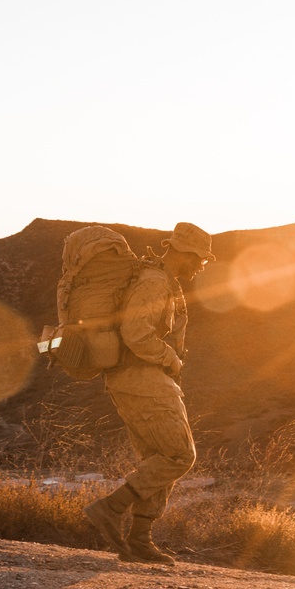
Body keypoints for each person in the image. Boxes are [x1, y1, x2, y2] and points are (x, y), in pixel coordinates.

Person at [84, 222, 215, 564]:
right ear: (183, 253)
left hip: (140, 380)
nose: (200, 267)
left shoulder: (163, 281)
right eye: (199, 259)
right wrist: (169, 358)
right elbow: (135, 331)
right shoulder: (154, 282)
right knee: (180, 455)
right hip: (141, 378)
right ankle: (110, 508)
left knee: (160, 459)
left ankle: (140, 539)